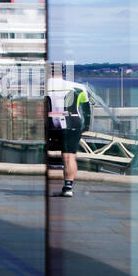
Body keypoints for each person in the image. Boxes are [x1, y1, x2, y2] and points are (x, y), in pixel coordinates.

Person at [47, 67, 91, 197]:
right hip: (72, 122)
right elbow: (86, 110)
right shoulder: (78, 87)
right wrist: (86, 126)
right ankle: (68, 188)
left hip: (51, 123)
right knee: (69, 156)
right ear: (63, 72)